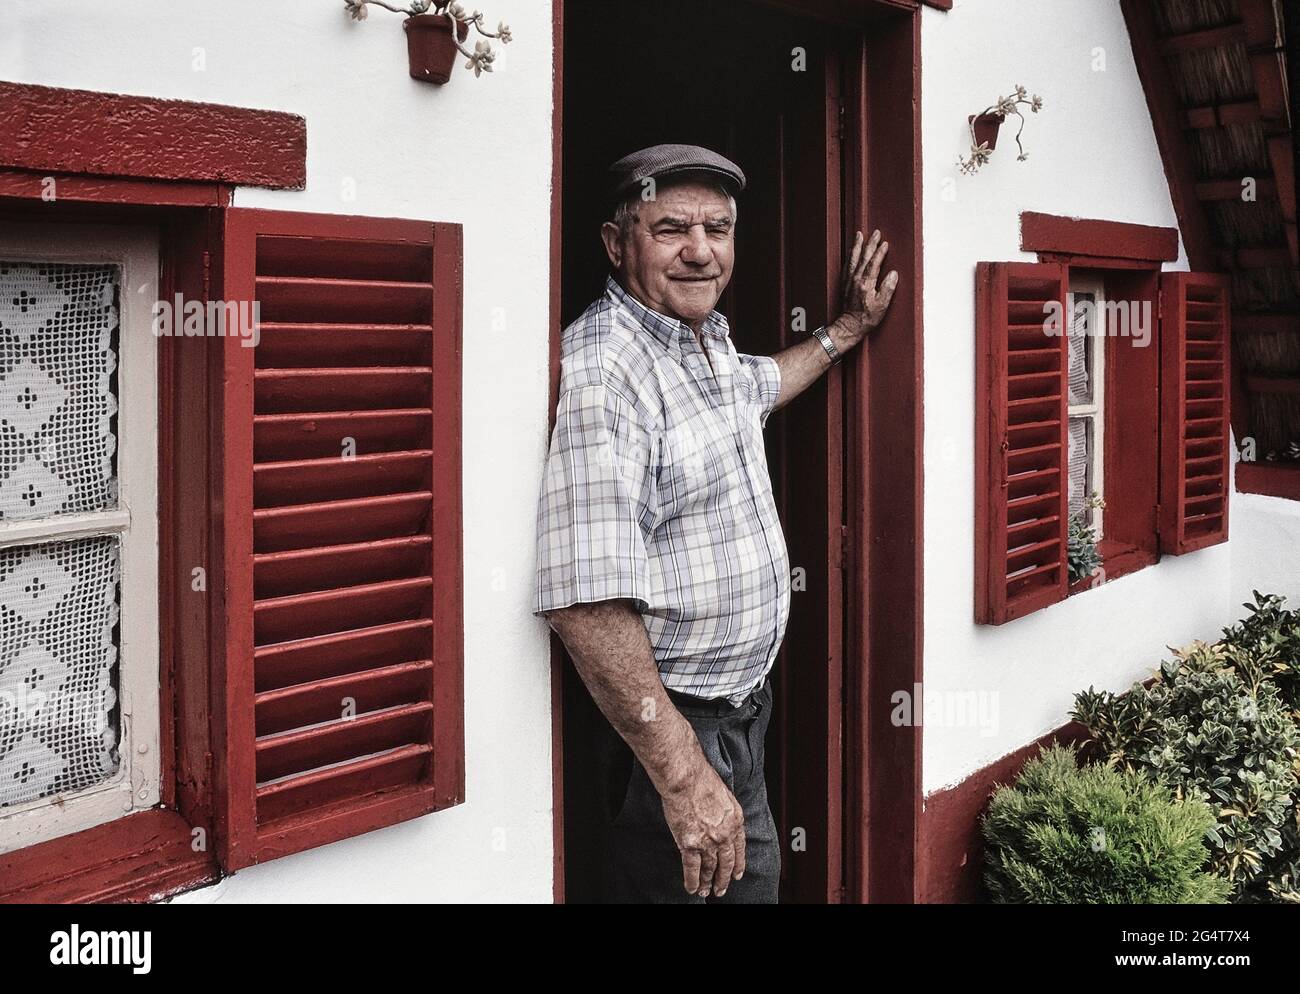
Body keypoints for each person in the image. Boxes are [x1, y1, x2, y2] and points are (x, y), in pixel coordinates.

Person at [533, 143, 897, 903]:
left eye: (718, 229)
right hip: (670, 734)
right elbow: (586, 605)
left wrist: (846, 332)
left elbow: (762, 385)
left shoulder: (704, 343)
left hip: (737, 718)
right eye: (671, 229)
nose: (700, 252)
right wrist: (684, 776)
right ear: (616, 242)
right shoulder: (609, 369)